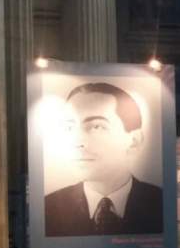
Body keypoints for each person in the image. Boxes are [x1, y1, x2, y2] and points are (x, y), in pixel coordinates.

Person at [45, 82, 163, 237]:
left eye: (96, 127)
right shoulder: (49, 207)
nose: (77, 141)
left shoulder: (159, 203)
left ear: (134, 140)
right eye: (69, 128)